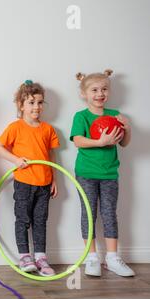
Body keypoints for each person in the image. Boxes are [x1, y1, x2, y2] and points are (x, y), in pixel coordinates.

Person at [70, 69, 134, 277]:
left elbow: (123, 142)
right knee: (88, 213)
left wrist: (128, 128)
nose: (100, 94)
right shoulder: (81, 116)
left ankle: (113, 258)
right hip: (86, 173)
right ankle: (92, 257)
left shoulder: (115, 115)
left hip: (109, 174)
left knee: (109, 214)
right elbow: (78, 141)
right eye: (94, 90)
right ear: (84, 94)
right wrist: (100, 142)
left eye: (104, 89)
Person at [0, 80, 59, 276]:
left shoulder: (48, 129)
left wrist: (54, 179)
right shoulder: (16, 127)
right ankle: (25, 257)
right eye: (31, 102)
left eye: (40, 102)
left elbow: (51, 155)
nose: (36, 107)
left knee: (41, 220)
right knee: (23, 220)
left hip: (44, 183)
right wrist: (15, 160)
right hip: (23, 183)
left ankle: (41, 257)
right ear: (21, 105)